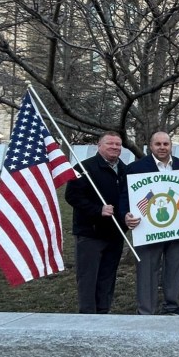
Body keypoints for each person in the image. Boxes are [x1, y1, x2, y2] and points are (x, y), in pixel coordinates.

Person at [119, 131, 179, 316]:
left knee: (174, 268)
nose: (162, 147)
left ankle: (171, 306)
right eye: (157, 144)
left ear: (171, 146)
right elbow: (124, 196)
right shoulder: (136, 168)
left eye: (165, 144)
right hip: (147, 228)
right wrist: (125, 214)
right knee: (147, 271)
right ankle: (146, 311)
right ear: (150, 146)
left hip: (177, 227)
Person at [65, 131, 128, 314]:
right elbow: (72, 196)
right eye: (110, 143)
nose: (114, 147)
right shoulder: (84, 168)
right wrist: (97, 210)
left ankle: (103, 312)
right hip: (90, 233)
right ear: (99, 146)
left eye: (118, 144)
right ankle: (87, 315)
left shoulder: (125, 170)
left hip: (115, 233)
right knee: (88, 277)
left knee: (107, 277)